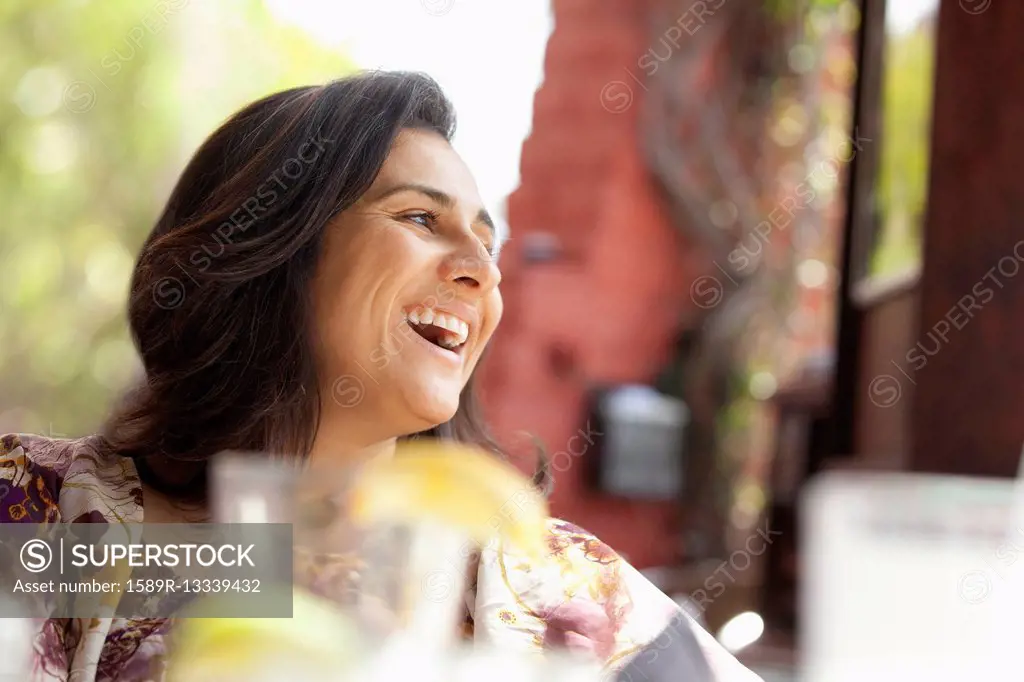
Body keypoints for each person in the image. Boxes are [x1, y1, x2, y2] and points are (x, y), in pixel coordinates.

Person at [0, 71, 762, 681]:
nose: (478, 272)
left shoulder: (560, 582)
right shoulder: (38, 510)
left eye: (486, 241)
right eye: (420, 219)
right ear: (274, 253)